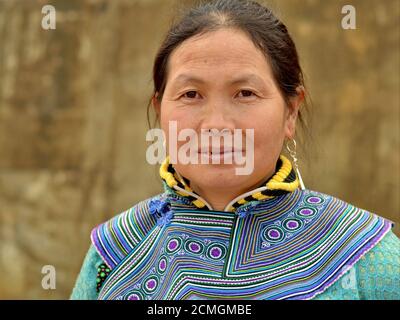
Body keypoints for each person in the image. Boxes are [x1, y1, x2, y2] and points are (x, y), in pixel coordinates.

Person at [70, 0, 399, 300]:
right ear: (160, 111)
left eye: (244, 93)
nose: (216, 124)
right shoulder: (114, 254)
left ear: (290, 112)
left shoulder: (366, 258)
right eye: (191, 94)